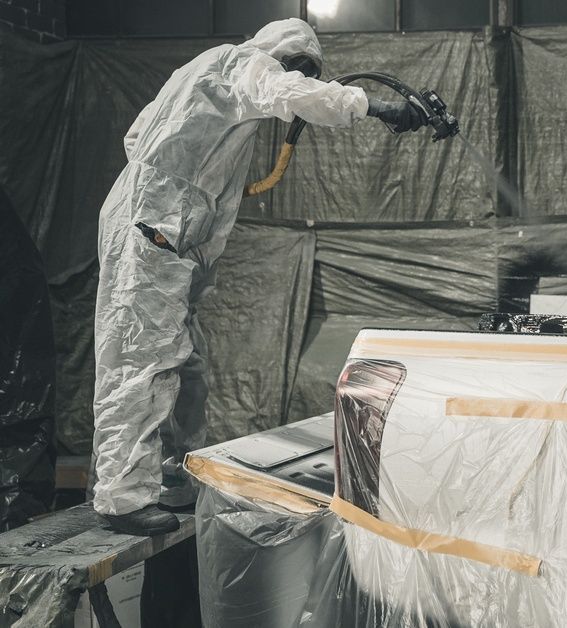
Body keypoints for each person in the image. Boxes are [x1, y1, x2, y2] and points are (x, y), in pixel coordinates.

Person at [92, 18, 423, 536]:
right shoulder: (245, 64)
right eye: (299, 67)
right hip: (154, 228)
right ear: (281, 53)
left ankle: (173, 479)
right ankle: (121, 497)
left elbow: (139, 134)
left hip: (168, 233)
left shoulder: (212, 78)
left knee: (186, 366)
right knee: (141, 361)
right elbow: (288, 90)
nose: (296, 77)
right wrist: (378, 107)